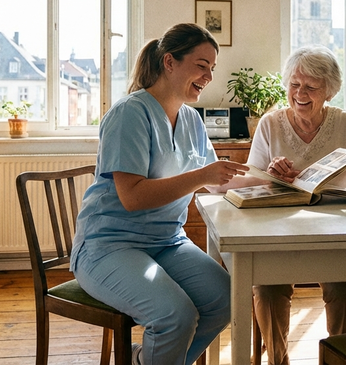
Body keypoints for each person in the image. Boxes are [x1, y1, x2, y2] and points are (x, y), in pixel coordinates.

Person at [70, 23, 249, 365]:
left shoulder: (192, 122)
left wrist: (277, 182)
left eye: (212, 68)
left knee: (227, 299)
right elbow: (133, 197)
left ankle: (146, 361)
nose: (209, 75)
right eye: (201, 65)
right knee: (175, 316)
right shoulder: (130, 114)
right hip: (108, 246)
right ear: (170, 62)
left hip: (166, 242)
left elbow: (217, 181)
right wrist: (201, 175)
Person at [250, 46, 346, 365]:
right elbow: (250, 183)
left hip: (334, 232)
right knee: (268, 290)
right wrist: (271, 176)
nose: (299, 93)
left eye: (311, 87)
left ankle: (337, 358)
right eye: (294, 84)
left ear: (329, 91)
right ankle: (278, 360)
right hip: (280, 232)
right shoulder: (270, 124)